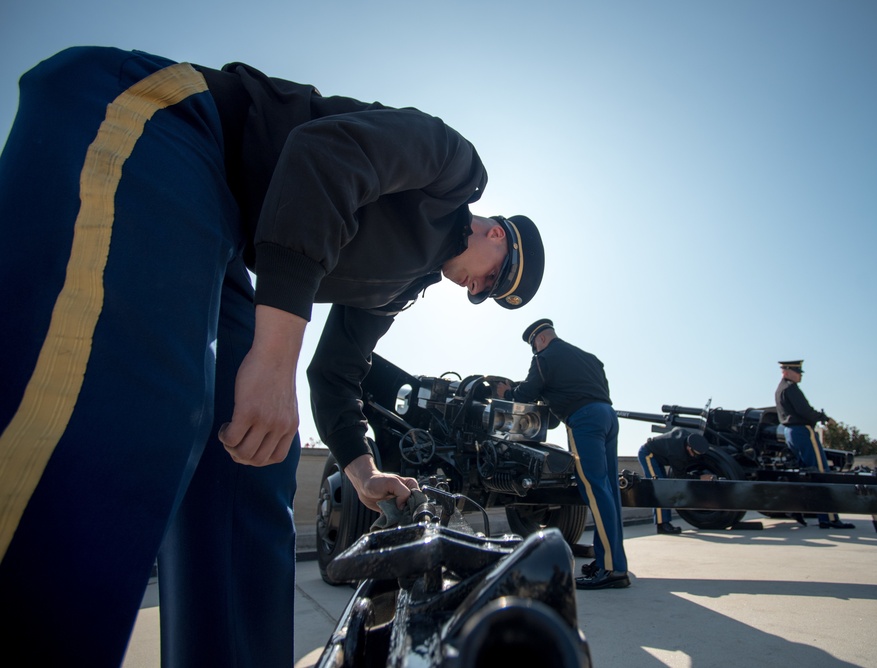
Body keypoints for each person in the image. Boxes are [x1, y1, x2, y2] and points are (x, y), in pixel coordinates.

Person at [0, 47, 544, 666]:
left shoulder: (398, 288)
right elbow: (323, 154)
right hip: (168, 122)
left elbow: (336, 373)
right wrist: (275, 353)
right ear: (496, 234)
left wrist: (364, 474)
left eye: (489, 296)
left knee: (256, 458)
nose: (477, 291)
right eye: (493, 280)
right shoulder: (453, 167)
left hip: (231, 233)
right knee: (127, 401)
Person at [496, 319, 629, 590]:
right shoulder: (588, 358)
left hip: (584, 421)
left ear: (541, 340)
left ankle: (613, 571)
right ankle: (612, 560)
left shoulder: (544, 357)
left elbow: (526, 393)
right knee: (609, 492)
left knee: (594, 490)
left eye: (534, 346)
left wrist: (507, 391)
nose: (534, 350)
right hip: (608, 417)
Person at [774, 360, 854, 530]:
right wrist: (824, 418)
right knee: (821, 472)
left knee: (806, 474)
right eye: (797, 372)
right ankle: (829, 518)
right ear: (786, 372)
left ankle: (797, 507)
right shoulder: (791, 389)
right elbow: (805, 411)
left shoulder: (781, 389)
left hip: (790, 432)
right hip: (802, 431)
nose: (800, 375)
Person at [637, 429, 712, 534]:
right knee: (660, 488)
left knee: (665, 487)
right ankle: (662, 525)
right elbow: (680, 477)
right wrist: (700, 478)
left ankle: (665, 522)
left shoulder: (691, 438)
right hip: (648, 454)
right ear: (688, 448)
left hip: (658, 456)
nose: (695, 457)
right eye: (694, 454)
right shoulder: (677, 454)